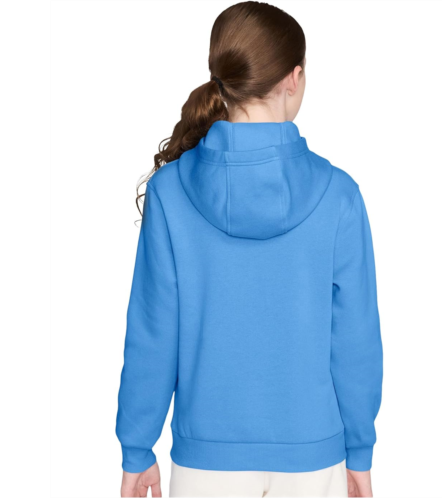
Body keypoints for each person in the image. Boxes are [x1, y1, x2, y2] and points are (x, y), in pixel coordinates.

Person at [117, 2, 383, 497]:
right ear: (294, 78)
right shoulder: (339, 195)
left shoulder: (170, 192)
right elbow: (356, 340)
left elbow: (153, 332)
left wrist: (137, 448)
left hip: (205, 461)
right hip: (313, 457)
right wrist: (360, 451)